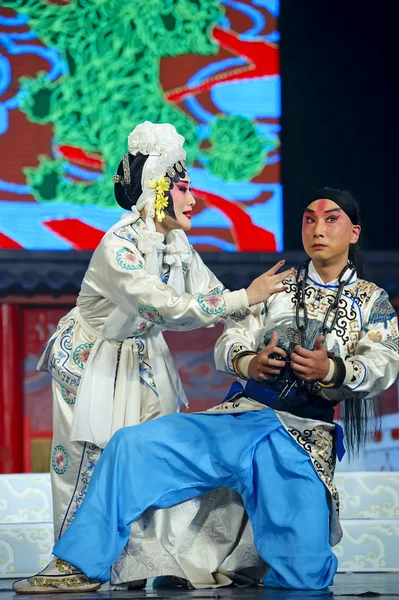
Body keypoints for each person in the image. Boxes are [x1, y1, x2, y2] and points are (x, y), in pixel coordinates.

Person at [14, 187, 399, 593]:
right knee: (133, 445)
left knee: (304, 575)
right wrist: (251, 361)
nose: (317, 228)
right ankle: (77, 563)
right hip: (243, 418)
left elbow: (385, 361)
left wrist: (332, 369)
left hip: (301, 436)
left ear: (353, 232)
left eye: (331, 219)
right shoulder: (278, 288)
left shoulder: (371, 302)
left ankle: (255, 560)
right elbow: (231, 337)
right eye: (309, 219)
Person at [26, 121, 291, 592]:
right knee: (89, 464)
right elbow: (165, 307)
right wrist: (241, 297)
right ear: (158, 191)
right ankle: (71, 567)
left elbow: (220, 299)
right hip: (94, 364)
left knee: (148, 460)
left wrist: (255, 340)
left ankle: (137, 567)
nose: (194, 200)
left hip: (144, 360)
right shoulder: (120, 246)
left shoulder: (178, 247)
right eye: (185, 189)